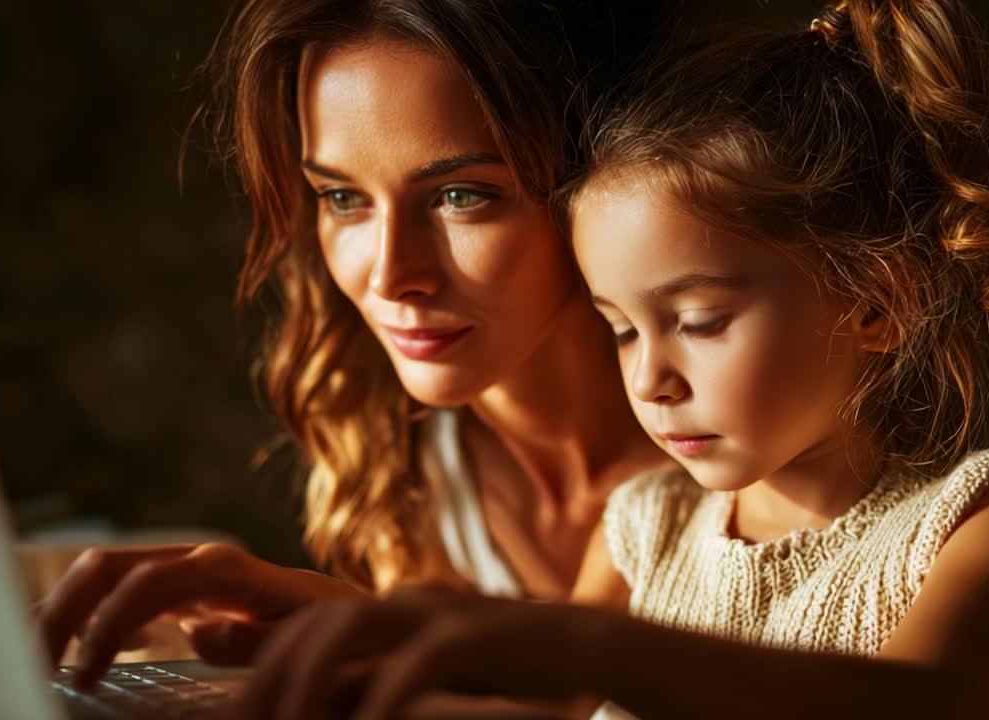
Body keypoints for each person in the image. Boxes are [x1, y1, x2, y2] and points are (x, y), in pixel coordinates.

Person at [227, 1, 989, 718]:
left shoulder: (982, 519)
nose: (649, 379)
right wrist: (360, 624)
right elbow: (536, 699)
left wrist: (587, 646)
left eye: (703, 322)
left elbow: (918, 705)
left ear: (878, 302)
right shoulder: (648, 526)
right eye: (622, 329)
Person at [33, 0, 674, 687]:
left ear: (604, 174)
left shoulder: (743, 458)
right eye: (342, 198)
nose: (391, 274)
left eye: (461, 195)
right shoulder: (404, 458)